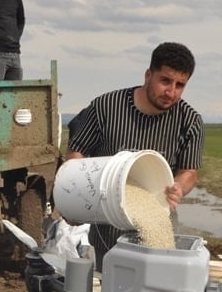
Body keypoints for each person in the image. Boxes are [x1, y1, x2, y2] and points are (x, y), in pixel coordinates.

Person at [65, 42, 204, 269]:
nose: (171, 92)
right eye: (165, 81)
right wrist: (76, 199)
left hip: (159, 221)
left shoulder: (189, 121)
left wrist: (178, 186)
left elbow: (189, 171)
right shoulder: (106, 107)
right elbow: (76, 152)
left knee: (159, 289)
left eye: (180, 85)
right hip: (108, 225)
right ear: (148, 75)